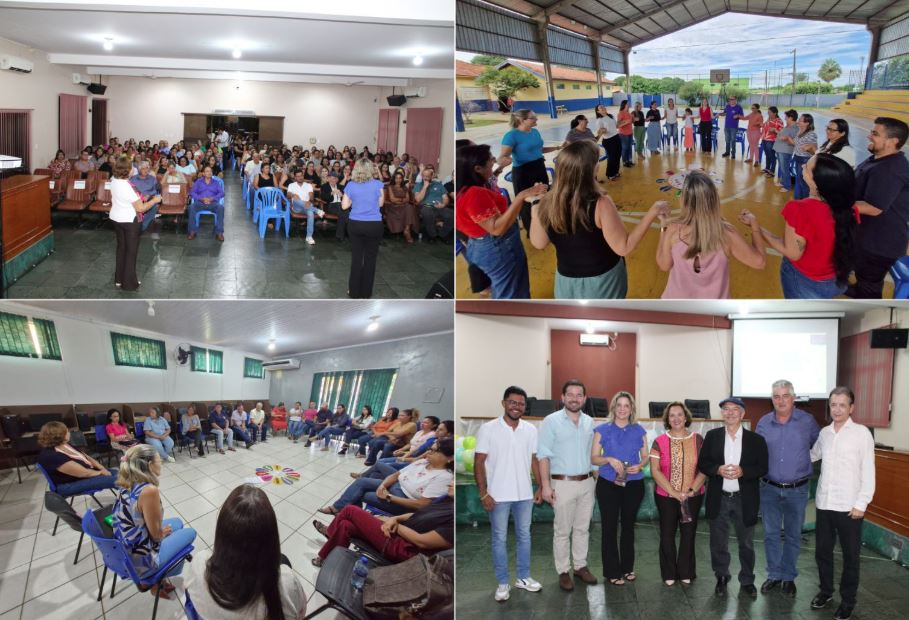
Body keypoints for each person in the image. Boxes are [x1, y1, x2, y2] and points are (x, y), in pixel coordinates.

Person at [530, 140, 669, 298]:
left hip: (566, 282)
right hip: (602, 282)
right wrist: (653, 212)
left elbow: (538, 242)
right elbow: (623, 247)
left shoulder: (548, 201)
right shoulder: (600, 203)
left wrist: (536, 205)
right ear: (592, 168)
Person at [185, 485, 307, 619]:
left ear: (222, 533)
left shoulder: (199, 563)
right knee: (283, 560)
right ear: (270, 539)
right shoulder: (286, 584)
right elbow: (301, 612)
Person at [745, 153, 857, 298]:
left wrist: (756, 226)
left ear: (815, 182)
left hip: (805, 281)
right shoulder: (850, 208)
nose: (803, 166)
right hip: (835, 279)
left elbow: (793, 253)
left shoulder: (800, 209)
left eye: (807, 167)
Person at [809, 387, 876, 620]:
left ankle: (848, 601)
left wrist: (862, 503)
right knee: (822, 553)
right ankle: (826, 592)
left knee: (850, 557)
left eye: (842, 405)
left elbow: (868, 471)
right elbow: (812, 455)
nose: (836, 409)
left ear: (851, 408)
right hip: (824, 503)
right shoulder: (825, 433)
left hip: (850, 507)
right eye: (833, 404)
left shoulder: (862, 434)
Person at [475, 387, 542, 602]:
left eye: (521, 404)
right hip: (498, 496)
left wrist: (540, 487)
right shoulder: (488, 429)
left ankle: (523, 577)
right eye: (512, 402)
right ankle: (503, 582)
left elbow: (534, 461)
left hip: (524, 494)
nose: (517, 407)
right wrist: (484, 494)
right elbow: (479, 462)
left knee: (525, 536)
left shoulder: (531, 429)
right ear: (504, 403)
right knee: (499, 539)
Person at [698, 398, 769, 599]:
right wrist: (717, 469)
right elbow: (703, 464)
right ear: (722, 414)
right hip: (718, 497)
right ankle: (722, 576)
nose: (729, 413)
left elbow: (763, 468)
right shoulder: (712, 437)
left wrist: (743, 471)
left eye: (734, 409)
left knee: (746, 543)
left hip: (744, 499)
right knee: (718, 542)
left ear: (742, 414)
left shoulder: (756, 440)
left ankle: (747, 580)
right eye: (725, 410)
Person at [755, 380, 820, 597]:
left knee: (793, 535)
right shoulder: (763, 423)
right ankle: (774, 575)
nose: (781, 400)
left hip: (798, 490)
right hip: (769, 489)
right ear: (771, 399)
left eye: (785, 396)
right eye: (776, 396)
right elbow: (757, 454)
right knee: (771, 534)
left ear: (793, 398)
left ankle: (789, 577)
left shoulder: (807, 421)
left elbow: (819, 446)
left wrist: (802, 462)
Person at [456, 144, 547, 299]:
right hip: (497, 247)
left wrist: (498, 171)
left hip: (482, 245)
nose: (493, 160)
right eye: (490, 159)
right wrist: (521, 196)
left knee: (505, 287)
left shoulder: (465, 187)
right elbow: (496, 229)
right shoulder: (475, 194)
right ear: (477, 168)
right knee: (512, 293)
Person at [657, 171, 766, 298]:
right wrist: (754, 224)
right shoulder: (727, 233)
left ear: (684, 200)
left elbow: (664, 265)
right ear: (714, 199)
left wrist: (664, 226)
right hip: (713, 311)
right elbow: (760, 262)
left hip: (677, 308)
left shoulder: (673, 229)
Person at [113, 445, 197, 600]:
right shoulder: (149, 491)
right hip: (141, 559)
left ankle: (158, 580)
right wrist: (161, 533)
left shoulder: (127, 480)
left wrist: (161, 532)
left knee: (177, 522)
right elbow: (156, 536)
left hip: (124, 548)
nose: (162, 463)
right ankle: (154, 578)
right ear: (150, 465)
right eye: (159, 460)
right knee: (190, 533)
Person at [536, 380, 597, 591]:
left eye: (579, 394)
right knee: (562, 531)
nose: (574, 398)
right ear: (562, 397)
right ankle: (563, 570)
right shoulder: (551, 421)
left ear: (584, 398)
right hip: (562, 484)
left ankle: (580, 567)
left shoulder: (590, 422)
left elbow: (593, 453)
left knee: (582, 528)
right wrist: (545, 486)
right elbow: (542, 456)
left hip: (587, 482)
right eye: (569, 394)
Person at [311, 482, 453, 567]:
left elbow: (421, 542)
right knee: (345, 525)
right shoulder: (446, 500)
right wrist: (395, 519)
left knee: (350, 510)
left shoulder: (455, 522)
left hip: (405, 548)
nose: (451, 483)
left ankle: (329, 533)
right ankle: (326, 558)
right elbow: (418, 514)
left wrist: (393, 524)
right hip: (396, 532)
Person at [591, 391, 648, 586]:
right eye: (619, 405)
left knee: (628, 527)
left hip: (634, 484)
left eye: (627, 405)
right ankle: (612, 571)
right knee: (609, 527)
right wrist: (608, 458)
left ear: (631, 409)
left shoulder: (639, 430)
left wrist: (640, 466)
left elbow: (646, 456)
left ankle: (627, 568)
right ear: (613, 407)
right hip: (608, 484)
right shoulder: (602, 430)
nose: (623, 409)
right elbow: (593, 458)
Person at [850, 117, 909, 299]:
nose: (869, 136)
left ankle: (865, 298)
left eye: (875, 134)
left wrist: (834, 201)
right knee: (864, 276)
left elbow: (874, 208)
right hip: (868, 236)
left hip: (879, 243)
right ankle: (860, 288)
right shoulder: (879, 159)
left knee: (870, 286)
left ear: (893, 141)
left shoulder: (890, 169)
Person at [649, 402, 706, 587]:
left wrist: (690, 491)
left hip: (693, 496)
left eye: (680, 414)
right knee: (667, 534)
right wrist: (674, 493)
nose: (676, 418)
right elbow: (655, 471)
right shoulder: (659, 441)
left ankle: (686, 571)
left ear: (686, 417)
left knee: (688, 534)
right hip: (666, 496)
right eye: (672, 415)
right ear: (667, 419)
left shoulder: (698, 439)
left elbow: (704, 469)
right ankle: (669, 572)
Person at [320, 438, 453, 516]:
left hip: (403, 501)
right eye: (430, 448)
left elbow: (421, 505)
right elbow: (396, 475)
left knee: (360, 494)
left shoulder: (444, 477)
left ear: (449, 458)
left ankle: (345, 513)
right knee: (361, 482)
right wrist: (383, 485)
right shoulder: (422, 462)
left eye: (435, 450)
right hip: (395, 487)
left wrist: (389, 497)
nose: (429, 452)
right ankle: (340, 510)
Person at [498, 109, 561, 235]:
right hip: (523, 172)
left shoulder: (535, 132)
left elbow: (539, 149)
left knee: (544, 195)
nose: (536, 119)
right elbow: (502, 157)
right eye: (533, 118)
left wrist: (557, 147)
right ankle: (531, 230)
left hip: (539, 166)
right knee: (528, 201)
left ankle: (546, 223)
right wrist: (506, 159)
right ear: (522, 120)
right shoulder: (511, 136)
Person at [109, 155, 162, 291]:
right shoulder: (128, 187)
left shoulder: (114, 180)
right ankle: (129, 283)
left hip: (116, 218)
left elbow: (129, 198)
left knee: (121, 249)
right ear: (127, 170)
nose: (134, 168)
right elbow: (140, 208)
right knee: (131, 252)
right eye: (131, 166)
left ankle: (119, 279)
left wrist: (141, 197)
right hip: (129, 221)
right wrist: (154, 201)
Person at [37, 421, 118, 495]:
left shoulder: (64, 444)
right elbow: (83, 473)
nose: (69, 432)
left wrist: (101, 468)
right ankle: (127, 501)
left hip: (84, 474)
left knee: (119, 474)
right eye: (67, 431)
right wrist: (100, 473)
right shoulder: (51, 455)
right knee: (116, 480)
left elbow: (86, 457)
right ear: (59, 435)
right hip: (69, 484)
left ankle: (127, 495)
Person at [342, 159, 385, 298]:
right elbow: (380, 203)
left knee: (356, 258)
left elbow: (344, 206)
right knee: (370, 259)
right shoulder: (378, 184)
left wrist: (355, 199)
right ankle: (366, 293)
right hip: (374, 224)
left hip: (356, 224)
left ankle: (354, 292)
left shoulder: (351, 185)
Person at [414, 165, 453, 243]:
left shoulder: (439, 185)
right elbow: (418, 199)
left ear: (432, 176)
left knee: (451, 214)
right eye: (424, 176)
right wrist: (424, 187)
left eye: (427, 176)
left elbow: (445, 198)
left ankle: (443, 235)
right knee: (427, 214)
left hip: (440, 206)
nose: (425, 178)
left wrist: (443, 204)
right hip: (425, 206)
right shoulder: (419, 185)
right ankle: (432, 235)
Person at [186, 165, 225, 242]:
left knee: (221, 208)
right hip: (200, 202)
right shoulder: (198, 182)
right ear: (203, 173)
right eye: (207, 171)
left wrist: (212, 198)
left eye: (210, 171)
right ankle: (192, 231)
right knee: (191, 207)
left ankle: (219, 233)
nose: (209, 173)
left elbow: (222, 193)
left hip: (212, 203)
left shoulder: (216, 182)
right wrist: (201, 199)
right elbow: (192, 192)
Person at [286, 169, 325, 245]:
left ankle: (309, 236)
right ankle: (317, 210)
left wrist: (309, 201)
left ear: (303, 176)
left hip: (307, 206)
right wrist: (293, 195)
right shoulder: (291, 185)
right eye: (298, 176)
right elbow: (288, 195)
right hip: (297, 208)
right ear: (295, 177)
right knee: (296, 199)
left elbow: (311, 197)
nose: (300, 177)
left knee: (310, 213)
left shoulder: (308, 185)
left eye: (301, 175)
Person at [384, 170, 415, 243]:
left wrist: (399, 200)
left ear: (402, 179)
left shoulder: (404, 188)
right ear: (394, 179)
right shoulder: (390, 187)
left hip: (404, 206)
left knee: (409, 207)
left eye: (400, 178)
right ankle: (405, 230)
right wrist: (401, 200)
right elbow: (392, 199)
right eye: (396, 178)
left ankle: (407, 230)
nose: (398, 180)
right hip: (393, 207)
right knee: (407, 207)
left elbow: (407, 199)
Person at [593, 104, 621, 180]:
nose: (603, 108)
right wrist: (603, 131)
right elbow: (600, 131)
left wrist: (622, 122)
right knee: (611, 158)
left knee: (617, 156)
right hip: (608, 140)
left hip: (616, 137)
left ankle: (615, 172)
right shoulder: (599, 120)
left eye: (603, 106)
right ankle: (610, 174)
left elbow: (616, 126)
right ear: (598, 111)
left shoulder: (610, 116)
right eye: (600, 108)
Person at [774, 109, 799, 192]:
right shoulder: (787, 126)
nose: (785, 118)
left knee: (785, 168)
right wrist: (776, 132)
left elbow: (794, 141)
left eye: (786, 117)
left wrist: (787, 138)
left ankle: (787, 186)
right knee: (782, 167)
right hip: (779, 148)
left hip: (785, 150)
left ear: (791, 117)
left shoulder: (795, 128)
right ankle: (783, 182)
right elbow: (781, 135)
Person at [760, 106, 784, 177]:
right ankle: (767, 168)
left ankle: (772, 171)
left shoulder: (779, 121)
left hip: (772, 141)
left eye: (770, 112)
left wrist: (775, 130)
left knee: (772, 156)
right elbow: (765, 126)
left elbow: (781, 132)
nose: (768, 113)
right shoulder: (769, 119)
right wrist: (762, 125)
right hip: (764, 139)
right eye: (768, 112)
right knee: (767, 155)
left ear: (775, 113)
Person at [616, 100, 635, 167]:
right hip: (623, 134)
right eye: (628, 103)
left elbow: (631, 122)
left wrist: (633, 119)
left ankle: (629, 160)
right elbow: (618, 125)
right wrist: (626, 122)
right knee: (625, 148)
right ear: (624, 105)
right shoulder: (621, 113)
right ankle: (625, 161)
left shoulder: (628, 113)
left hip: (630, 133)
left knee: (629, 147)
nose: (629, 104)